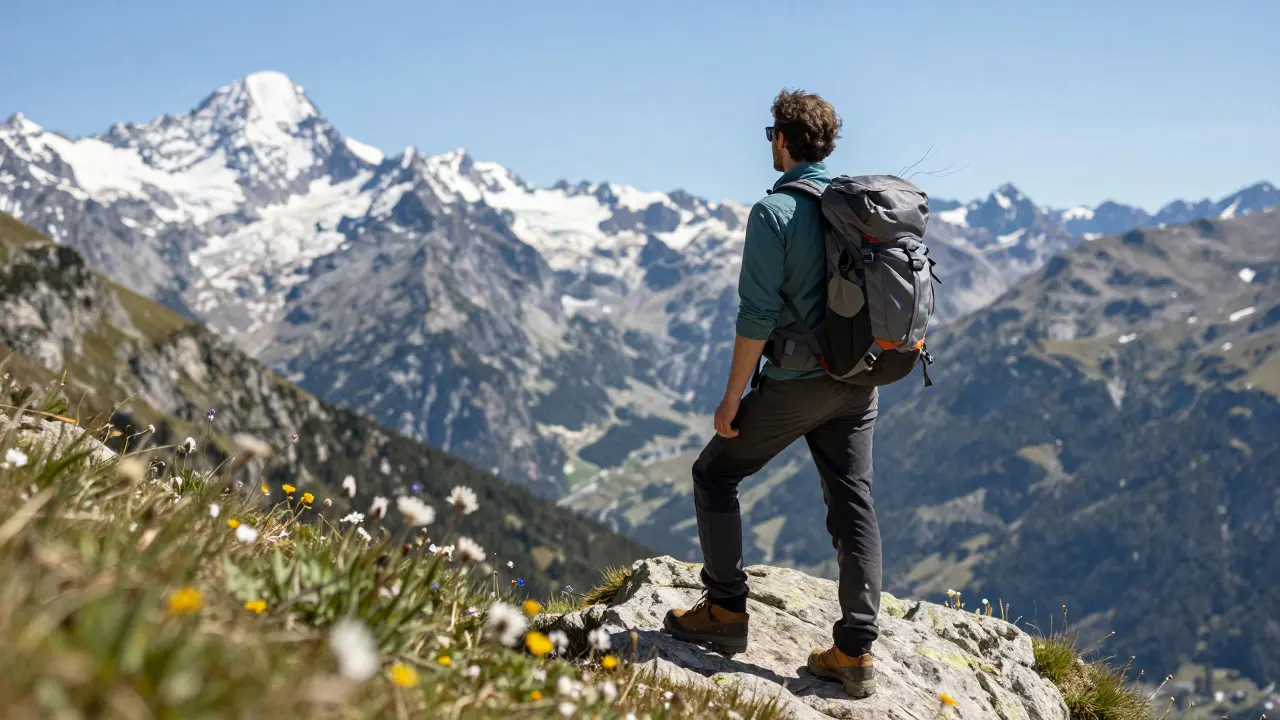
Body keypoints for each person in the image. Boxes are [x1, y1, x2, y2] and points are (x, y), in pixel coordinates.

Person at [663, 89, 881, 699]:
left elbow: (756, 316)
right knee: (853, 503)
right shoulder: (859, 207)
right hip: (860, 383)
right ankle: (855, 651)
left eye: (770, 136)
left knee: (715, 474)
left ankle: (727, 611)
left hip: (797, 384)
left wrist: (732, 398)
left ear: (783, 139)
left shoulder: (775, 214)